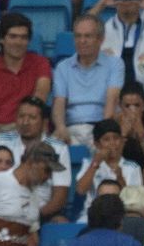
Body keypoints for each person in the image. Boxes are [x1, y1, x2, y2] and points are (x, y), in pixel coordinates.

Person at [0, 97, 74, 221]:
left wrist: (32, 218)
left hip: (40, 213)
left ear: (44, 123)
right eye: (21, 116)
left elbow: (59, 197)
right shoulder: (0, 140)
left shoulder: (58, 148)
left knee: (60, 223)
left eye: (32, 118)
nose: (25, 122)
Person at [0, 13, 51, 140]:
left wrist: (21, 126)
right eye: (13, 37)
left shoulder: (40, 63)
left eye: (23, 37)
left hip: (27, 127)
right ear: (2, 39)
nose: (18, 42)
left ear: (29, 41)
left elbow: (39, 99)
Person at [53, 15, 126, 148]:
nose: (82, 41)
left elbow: (112, 101)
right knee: (44, 152)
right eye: (78, 36)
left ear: (100, 39)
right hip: (71, 128)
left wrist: (102, 133)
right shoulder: (62, 67)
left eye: (88, 36)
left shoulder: (115, 64)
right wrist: (60, 127)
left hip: (100, 126)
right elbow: (59, 101)